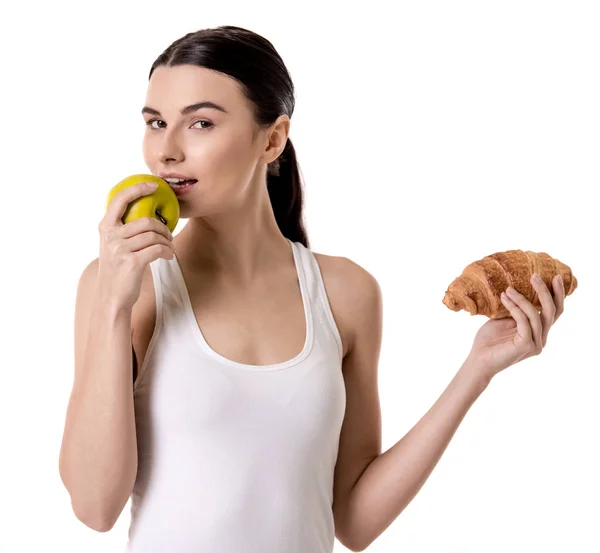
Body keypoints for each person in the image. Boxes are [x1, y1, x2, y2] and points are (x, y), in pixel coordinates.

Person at [58, 25, 567, 553]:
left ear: (273, 139)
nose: (166, 150)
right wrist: (114, 305)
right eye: (156, 123)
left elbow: (354, 521)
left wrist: (476, 368)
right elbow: (94, 508)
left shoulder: (346, 293)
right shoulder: (121, 285)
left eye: (200, 123)